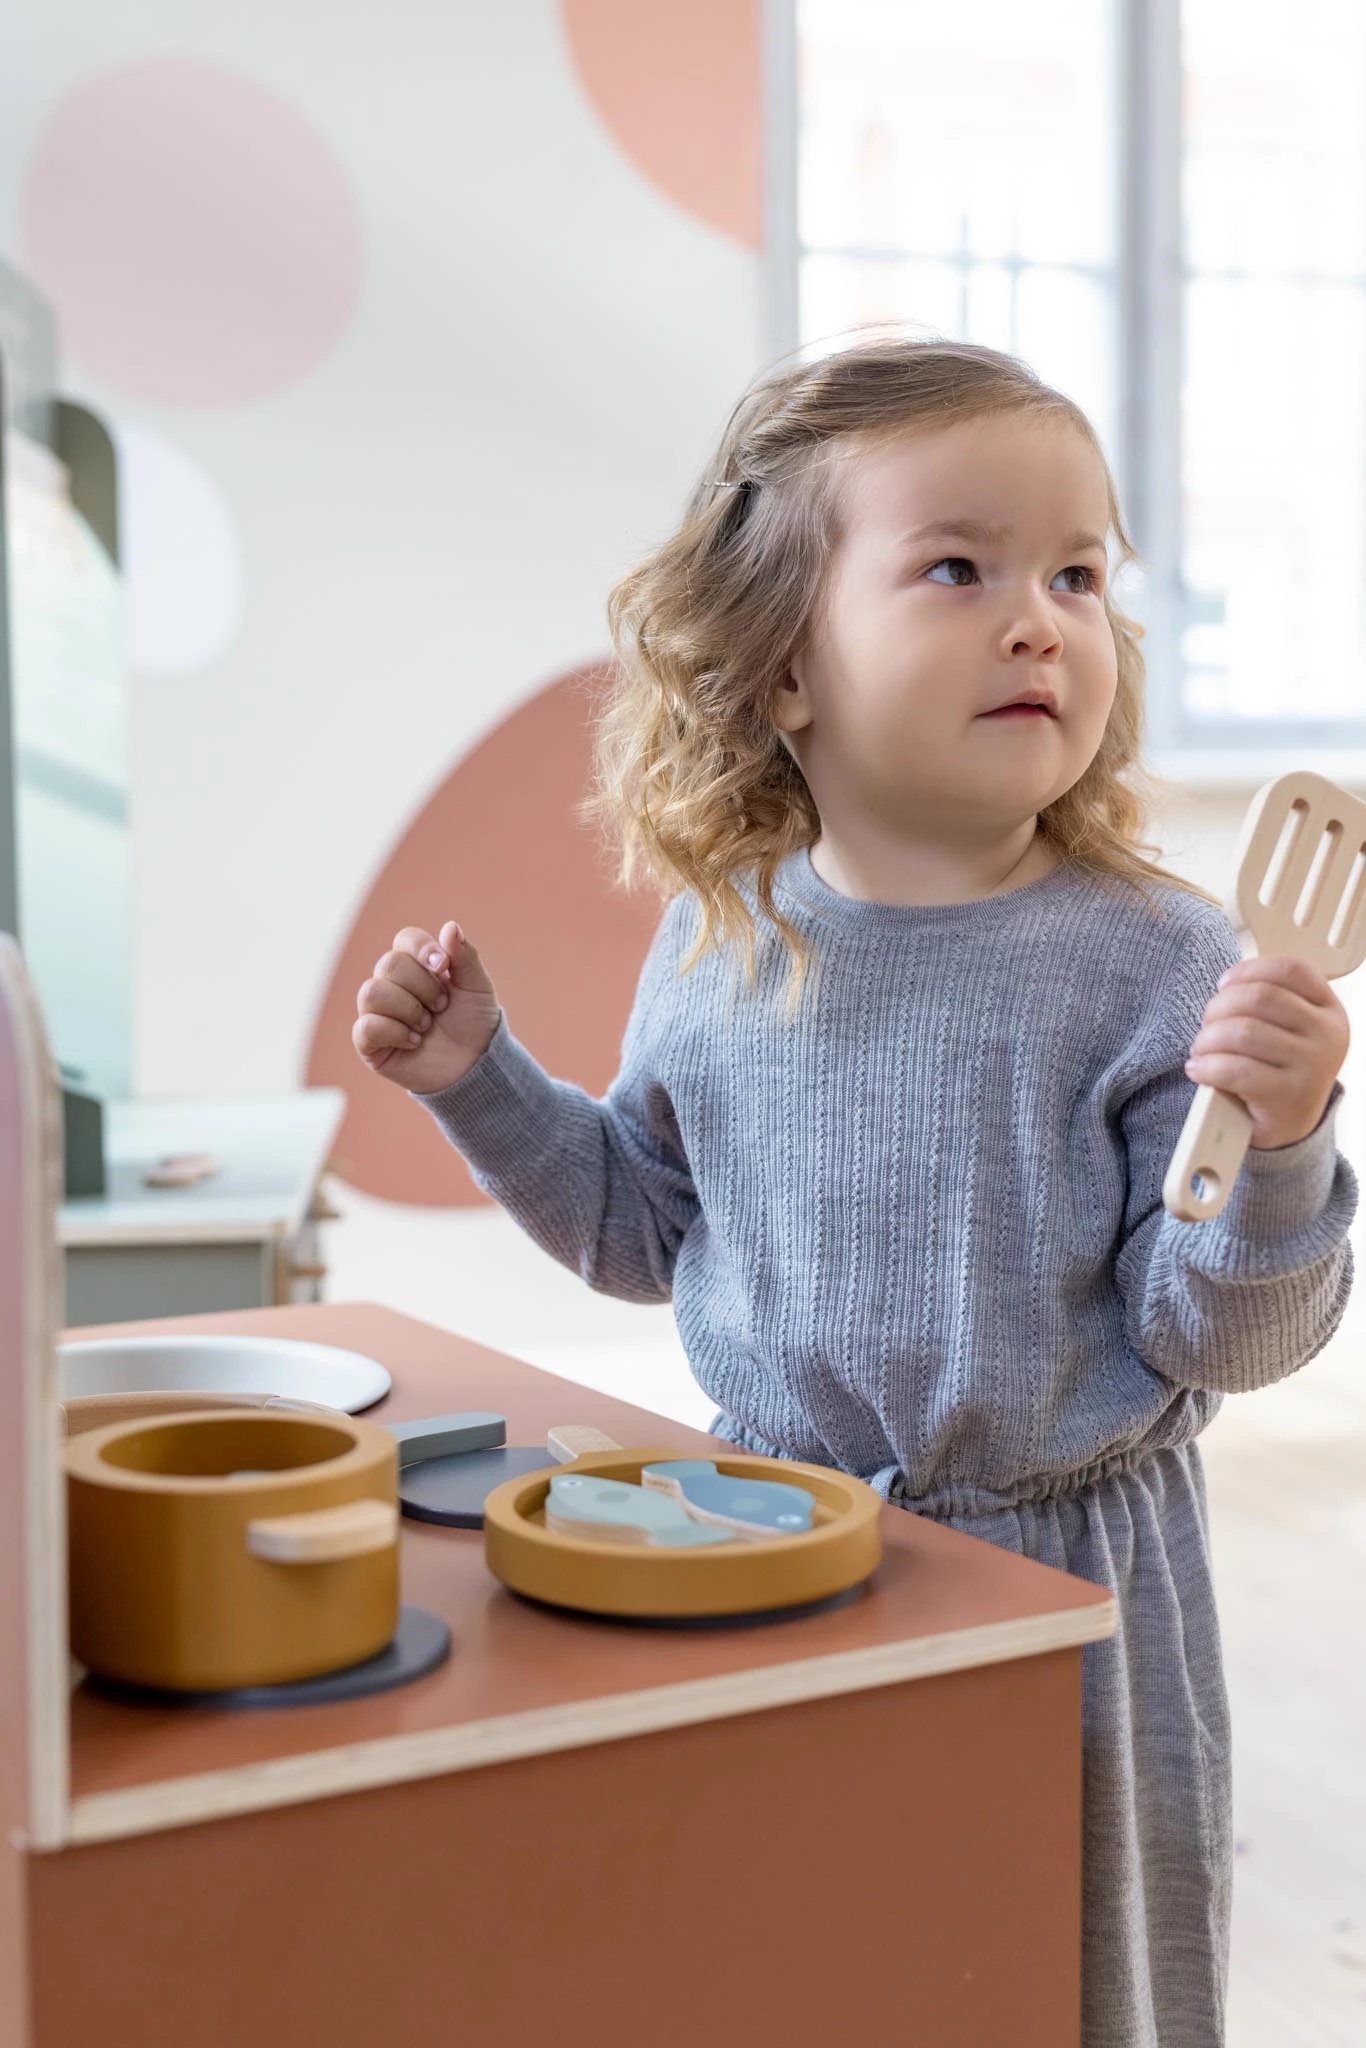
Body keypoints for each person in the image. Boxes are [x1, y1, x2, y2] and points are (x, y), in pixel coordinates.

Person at [351, 335, 1356, 2047]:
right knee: (809, 1950)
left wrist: (1278, 1149)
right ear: (782, 665)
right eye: (956, 567)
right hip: (774, 1538)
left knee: (1072, 1968)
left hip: (1072, 1587)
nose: (1039, 616)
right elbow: (640, 1229)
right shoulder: (725, 936)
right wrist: (481, 1083)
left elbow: (1216, 1340)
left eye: (1077, 572)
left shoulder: (1163, 961)